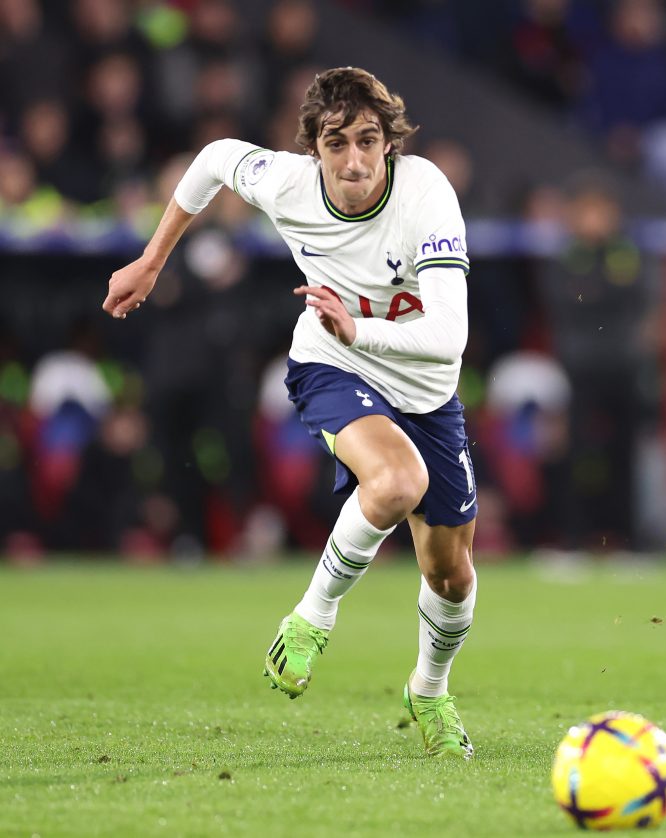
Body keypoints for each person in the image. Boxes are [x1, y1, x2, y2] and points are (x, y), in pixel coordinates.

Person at [101, 67, 478, 760]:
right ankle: (313, 615)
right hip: (333, 364)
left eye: (368, 140)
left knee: (450, 574)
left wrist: (358, 328)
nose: (355, 160)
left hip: (423, 385)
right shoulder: (287, 182)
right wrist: (153, 261)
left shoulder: (426, 195)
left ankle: (428, 688)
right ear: (314, 148)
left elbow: (447, 337)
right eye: (337, 143)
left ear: (389, 143)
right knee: (395, 483)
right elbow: (213, 161)